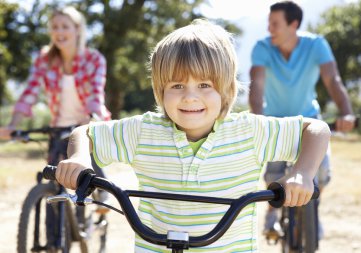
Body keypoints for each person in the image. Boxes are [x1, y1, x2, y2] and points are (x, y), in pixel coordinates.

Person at [55, 19, 330, 252]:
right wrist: (79, 158)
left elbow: (315, 129)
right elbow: (86, 132)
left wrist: (302, 173)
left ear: (225, 89)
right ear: (160, 90)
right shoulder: (143, 132)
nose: (189, 97)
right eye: (176, 85)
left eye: (204, 84)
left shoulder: (248, 132)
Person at [0, 6, 111, 248]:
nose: (59, 32)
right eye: (54, 27)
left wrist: (92, 118)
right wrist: (13, 124)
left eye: (65, 26)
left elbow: (95, 94)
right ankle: (54, 243)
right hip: (58, 127)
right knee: (53, 180)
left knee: (87, 165)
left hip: (86, 124)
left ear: (78, 30)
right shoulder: (44, 59)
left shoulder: (94, 59)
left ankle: (103, 193)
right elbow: (29, 92)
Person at [248, 1, 355, 237]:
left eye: (275, 24)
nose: (270, 29)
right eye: (268, 23)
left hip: (311, 121)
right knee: (274, 175)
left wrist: (346, 112)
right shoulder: (262, 48)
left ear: (293, 24)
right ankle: (272, 214)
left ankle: (312, 210)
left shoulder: (316, 45)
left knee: (322, 172)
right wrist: (257, 120)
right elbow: (256, 88)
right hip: (276, 121)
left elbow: (332, 80)